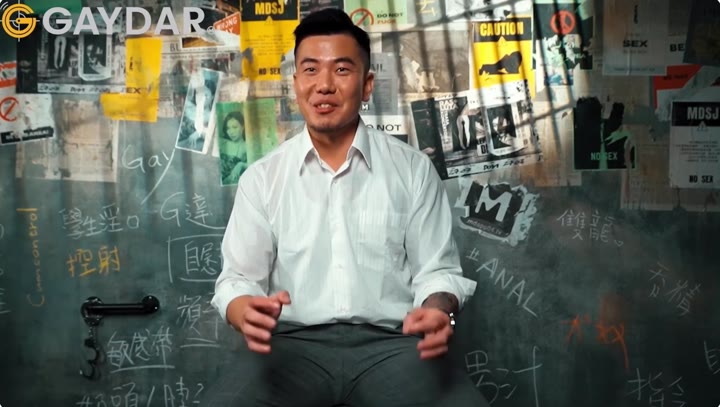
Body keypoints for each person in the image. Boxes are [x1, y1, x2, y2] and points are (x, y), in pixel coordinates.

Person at [204, 8, 489, 407]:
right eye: (310, 70)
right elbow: (237, 279)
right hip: (289, 347)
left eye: (341, 70)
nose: (324, 85)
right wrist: (242, 309)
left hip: (393, 347)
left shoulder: (412, 170)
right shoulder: (263, 177)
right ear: (295, 83)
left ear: (367, 85)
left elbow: (437, 272)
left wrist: (439, 309)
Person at [219, 110, 249, 185]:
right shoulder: (223, 142)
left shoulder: (246, 146)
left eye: (235, 127)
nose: (231, 132)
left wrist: (241, 165)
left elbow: (256, 163)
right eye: (228, 128)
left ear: (243, 127)